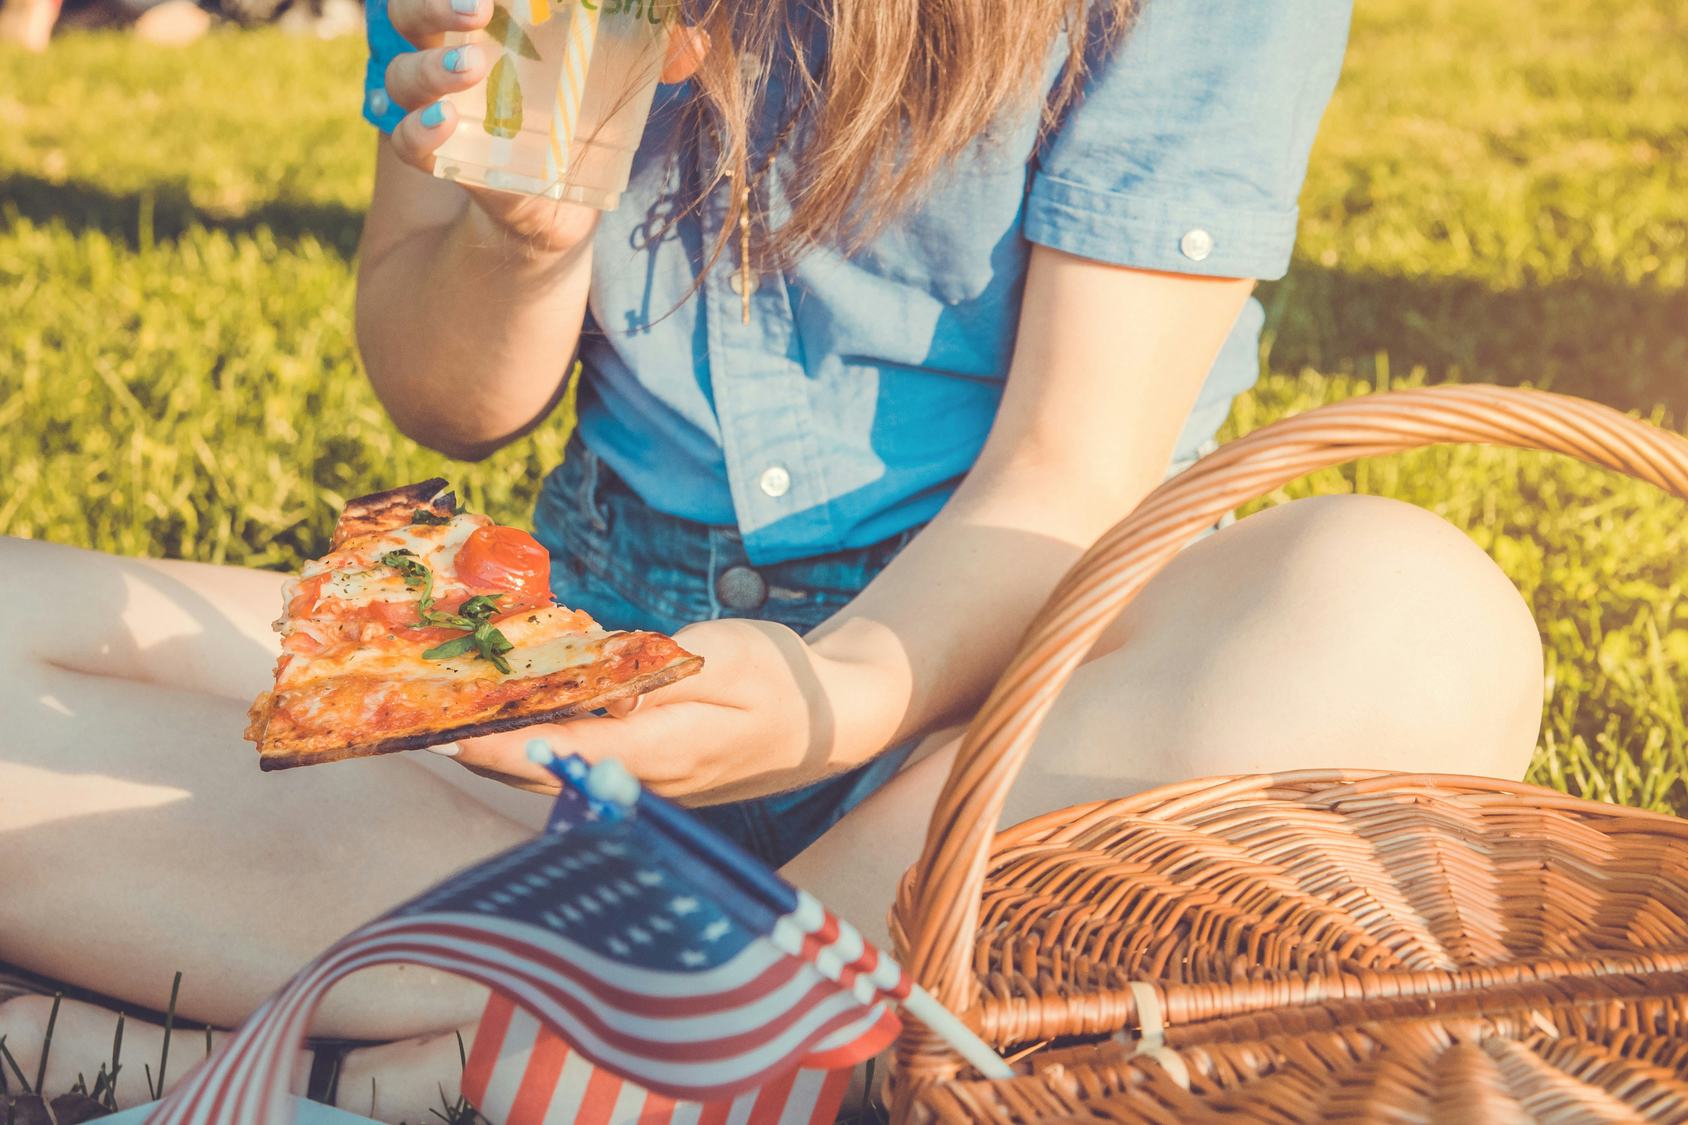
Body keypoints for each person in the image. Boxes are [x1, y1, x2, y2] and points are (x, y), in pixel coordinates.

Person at [0, 0, 1546, 1119]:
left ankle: (465, 1046)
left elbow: (1071, 470)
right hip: (593, 659)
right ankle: (694, 1041)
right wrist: (520, 245)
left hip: (1020, 714)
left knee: (1412, 616)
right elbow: (448, 393)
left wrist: (831, 689)